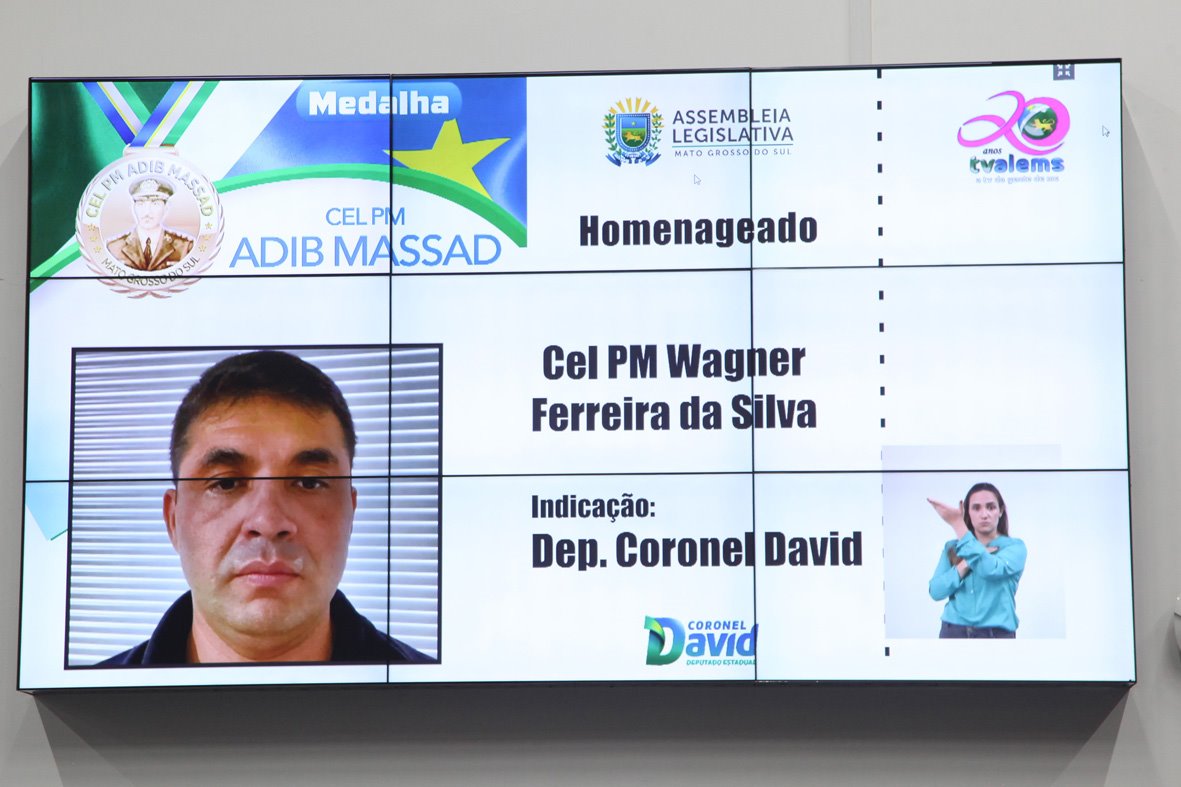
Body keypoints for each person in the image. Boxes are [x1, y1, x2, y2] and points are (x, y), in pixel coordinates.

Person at [102, 350, 430, 665]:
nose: (268, 522)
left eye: (309, 483)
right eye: (226, 483)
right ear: (173, 520)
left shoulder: (443, 695)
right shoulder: (88, 698)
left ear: (350, 513)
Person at [927, 482, 1027, 638]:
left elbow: (990, 570)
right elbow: (936, 591)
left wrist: (958, 525)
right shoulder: (952, 547)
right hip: (953, 632)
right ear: (967, 512)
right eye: (976, 508)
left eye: (991, 507)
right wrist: (965, 564)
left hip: (996, 635)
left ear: (1000, 511)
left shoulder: (1014, 547)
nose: (984, 514)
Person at [105, 176, 194, 271]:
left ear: (166, 207)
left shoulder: (184, 247)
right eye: (141, 204)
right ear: (133, 207)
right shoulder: (114, 248)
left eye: (155, 204)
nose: (147, 212)